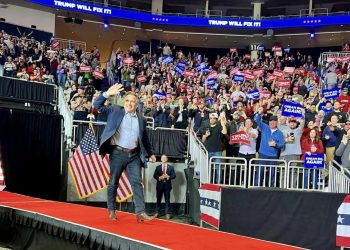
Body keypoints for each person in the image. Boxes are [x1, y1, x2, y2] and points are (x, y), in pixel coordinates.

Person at [93, 83, 157, 222]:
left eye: (132, 101)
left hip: (134, 155)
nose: (129, 103)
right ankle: (111, 210)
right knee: (113, 182)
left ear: (137, 104)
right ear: (124, 102)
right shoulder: (115, 110)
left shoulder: (141, 119)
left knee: (137, 183)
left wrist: (151, 153)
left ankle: (140, 212)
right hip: (118, 153)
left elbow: (144, 138)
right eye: (127, 100)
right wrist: (107, 94)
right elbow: (97, 106)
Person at [254, 108, 285, 187]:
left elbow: (282, 144)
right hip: (262, 154)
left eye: (274, 121)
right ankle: (257, 187)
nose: (272, 122)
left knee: (272, 173)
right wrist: (260, 112)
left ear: (277, 122)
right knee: (260, 171)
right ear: (269, 122)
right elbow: (257, 120)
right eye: (271, 121)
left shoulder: (280, 133)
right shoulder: (265, 127)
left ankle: (272, 188)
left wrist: (276, 145)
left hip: (273, 156)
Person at [153, 154, 176, 219]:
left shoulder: (170, 167)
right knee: (158, 199)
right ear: (161, 159)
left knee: (167, 200)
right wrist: (159, 177)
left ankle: (167, 213)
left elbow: (174, 175)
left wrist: (168, 176)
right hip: (159, 186)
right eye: (162, 158)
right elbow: (154, 175)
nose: (163, 159)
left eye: (164, 158)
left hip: (167, 186)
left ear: (167, 159)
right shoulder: (158, 167)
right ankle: (157, 212)